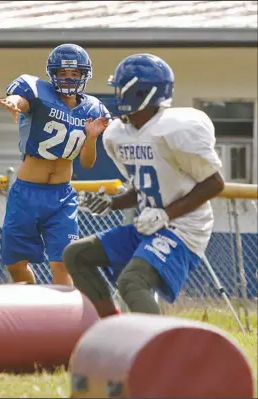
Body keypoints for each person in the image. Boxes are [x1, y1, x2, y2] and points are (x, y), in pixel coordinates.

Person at [63, 53, 225, 317]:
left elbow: (215, 184)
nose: (116, 94)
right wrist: (111, 203)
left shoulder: (173, 129)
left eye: (121, 88)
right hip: (150, 223)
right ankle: (111, 328)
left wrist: (166, 214)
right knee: (76, 255)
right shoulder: (119, 134)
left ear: (141, 92)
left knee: (132, 282)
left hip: (184, 228)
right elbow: (143, 186)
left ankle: (158, 351)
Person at [0, 43, 110, 286]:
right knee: (16, 265)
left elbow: (87, 163)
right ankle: (31, 312)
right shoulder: (36, 91)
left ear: (84, 75)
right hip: (27, 192)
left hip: (61, 196)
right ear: (52, 74)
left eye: (74, 74)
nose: (68, 79)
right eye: (62, 73)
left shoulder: (92, 109)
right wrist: (14, 103)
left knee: (63, 262)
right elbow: (21, 99)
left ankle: (65, 320)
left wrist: (91, 137)